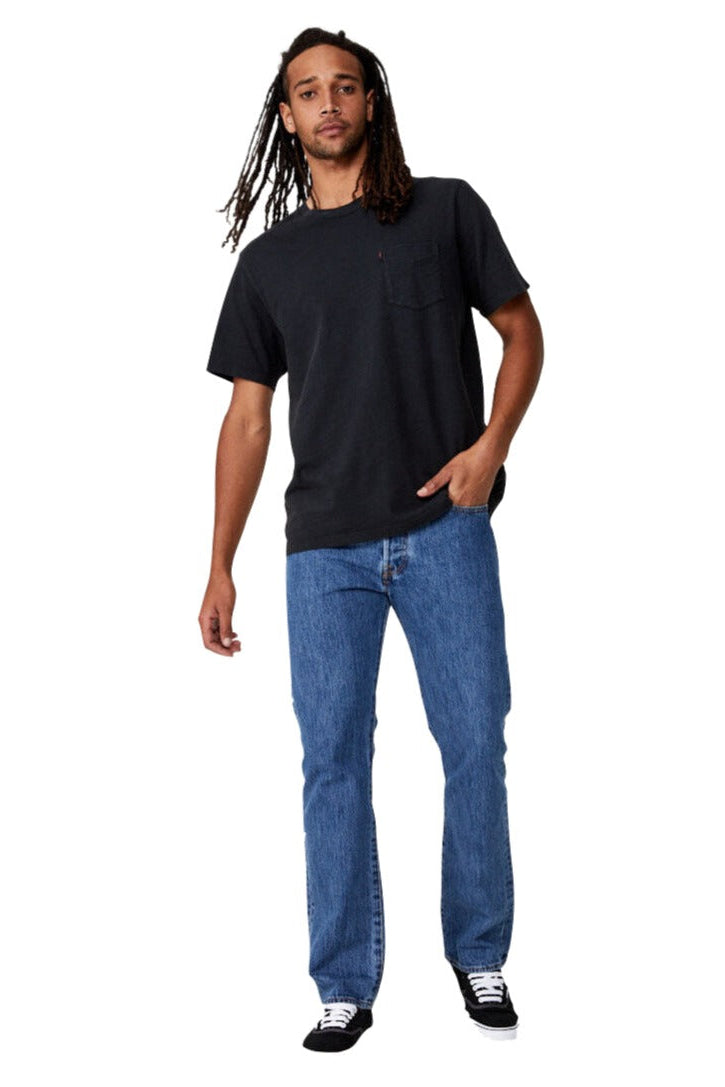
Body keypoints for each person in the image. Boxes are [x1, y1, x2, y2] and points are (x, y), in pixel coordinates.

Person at [199, 26, 544, 1052]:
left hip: (444, 530)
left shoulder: (444, 209)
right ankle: (343, 982)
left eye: (343, 86)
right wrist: (217, 563)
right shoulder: (268, 263)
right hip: (323, 550)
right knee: (331, 765)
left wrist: (490, 446)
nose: (327, 103)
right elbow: (247, 420)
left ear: (369, 101)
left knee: (474, 744)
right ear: (285, 117)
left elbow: (521, 330)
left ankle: (478, 953)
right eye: (307, 91)